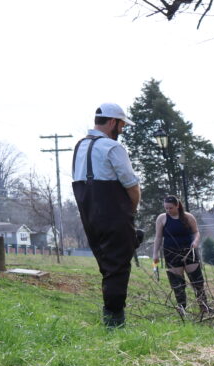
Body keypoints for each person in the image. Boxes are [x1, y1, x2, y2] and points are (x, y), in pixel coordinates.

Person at [71, 103, 142, 328]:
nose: (121, 130)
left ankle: (111, 318)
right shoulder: (112, 148)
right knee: (118, 267)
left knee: (107, 266)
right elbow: (131, 185)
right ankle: (114, 322)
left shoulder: (79, 147)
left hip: (89, 215)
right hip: (113, 212)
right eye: (121, 125)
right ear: (112, 122)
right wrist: (132, 210)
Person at [152, 195, 209, 315]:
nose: (168, 210)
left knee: (197, 281)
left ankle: (204, 307)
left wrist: (195, 241)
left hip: (189, 252)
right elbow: (158, 237)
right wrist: (155, 254)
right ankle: (182, 309)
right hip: (171, 253)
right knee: (177, 284)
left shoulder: (188, 217)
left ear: (177, 206)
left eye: (170, 208)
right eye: (166, 208)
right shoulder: (161, 218)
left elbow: (196, 232)